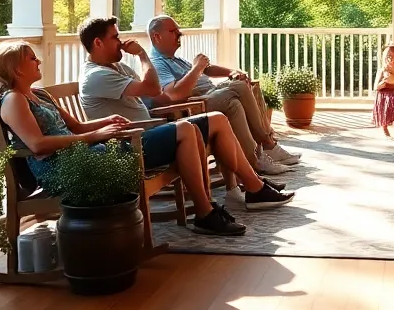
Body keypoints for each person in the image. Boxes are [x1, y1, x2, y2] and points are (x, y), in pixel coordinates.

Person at [77, 17, 294, 234]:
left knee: (217, 118)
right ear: (98, 43)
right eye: (115, 37)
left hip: (148, 131)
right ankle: (205, 212)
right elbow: (154, 89)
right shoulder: (97, 76)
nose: (121, 41)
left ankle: (254, 188)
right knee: (186, 129)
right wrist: (143, 55)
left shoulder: (117, 67)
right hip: (131, 145)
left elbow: (152, 90)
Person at [146, 15, 302, 175]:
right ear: (156, 36)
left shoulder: (175, 59)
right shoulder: (157, 63)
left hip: (210, 97)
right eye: (174, 32)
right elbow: (173, 94)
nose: (180, 35)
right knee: (239, 87)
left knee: (237, 99)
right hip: (194, 107)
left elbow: (208, 68)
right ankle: (268, 144)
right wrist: (197, 68)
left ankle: (256, 159)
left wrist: (232, 72)